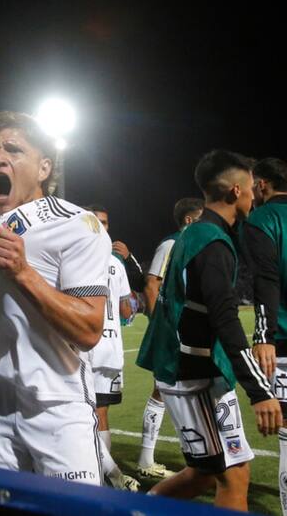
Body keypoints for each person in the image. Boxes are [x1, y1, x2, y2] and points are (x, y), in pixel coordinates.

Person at [0, 111, 110, 484]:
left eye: (14, 149)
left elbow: (88, 330)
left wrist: (22, 272)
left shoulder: (77, 224)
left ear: (44, 168)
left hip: (59, 410)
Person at [137, 150, 281, 511]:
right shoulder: (212, 243)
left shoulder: (201, 233)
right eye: (250, 188)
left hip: (202, 372)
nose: (254, 195)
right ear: (235, 191)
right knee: (230, 475)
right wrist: (259, 391)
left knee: (213, 473)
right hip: (190, 374)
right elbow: (225, 321)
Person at [137, 197, 203, 479]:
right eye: (202, 218)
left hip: (190, 328)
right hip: (172, 329)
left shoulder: (196, 244)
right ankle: (145, 459)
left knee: (188, 389)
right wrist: (160, 325)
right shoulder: (172, 243)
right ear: (189, 220)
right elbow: (152, 283)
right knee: (163, 388)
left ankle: (195, 454)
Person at [243, 157, 287, 515]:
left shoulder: (262, 219)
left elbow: (266, 280)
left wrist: (263, 335)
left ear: (261, 184)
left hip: (284, 339)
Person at [85, 205, 138, 491]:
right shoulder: (116, 264)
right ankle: (109, 475)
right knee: (100, 414)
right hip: (109, 349)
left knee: (87, 414)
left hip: (85, 347)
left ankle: (105, 473)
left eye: (104, 222)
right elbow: (127, 309)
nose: (102, 227)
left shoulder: (73, 255)